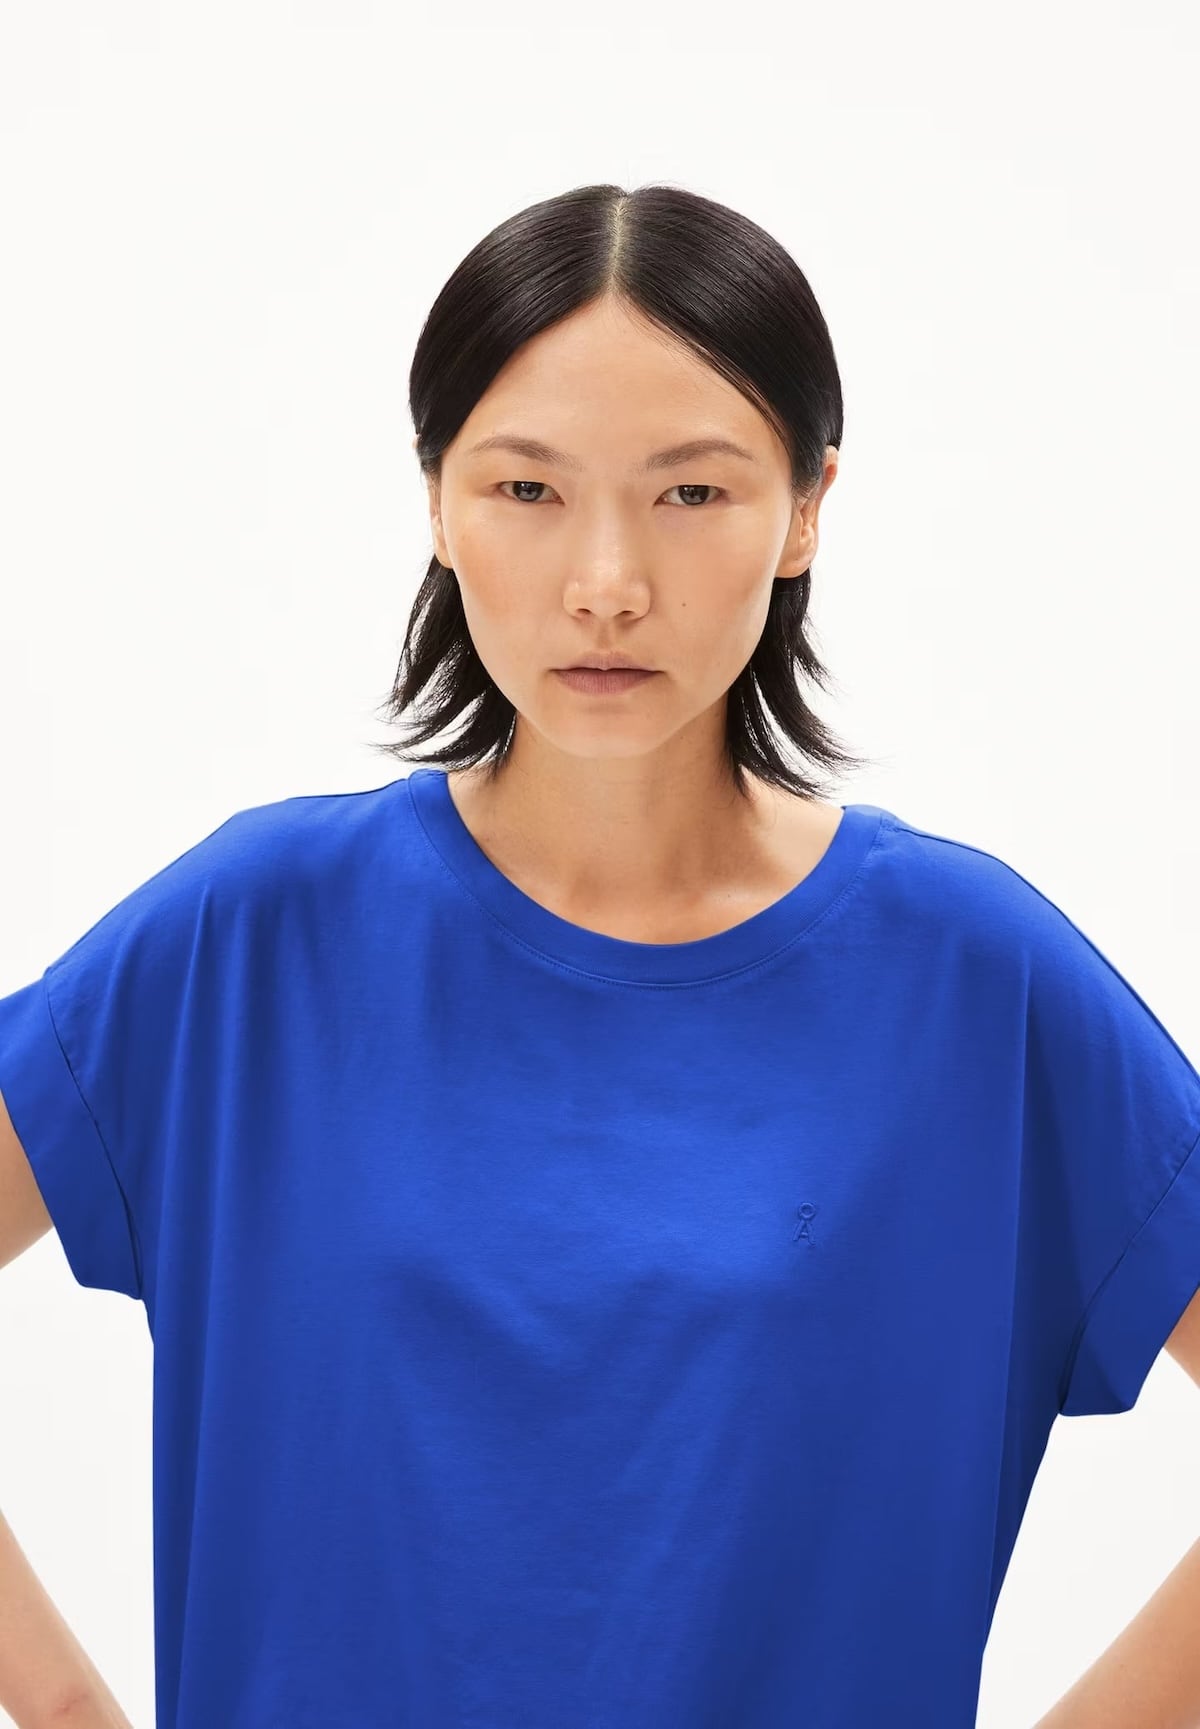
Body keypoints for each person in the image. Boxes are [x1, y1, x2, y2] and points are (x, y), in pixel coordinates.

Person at [2, 181, 1199, 1729]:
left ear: (808, 507)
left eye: (692, 492)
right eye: (527, 488)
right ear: (438, 501)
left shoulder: (974, 982)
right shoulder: (254, 937)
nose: (607, 582)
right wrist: (65, 1708)